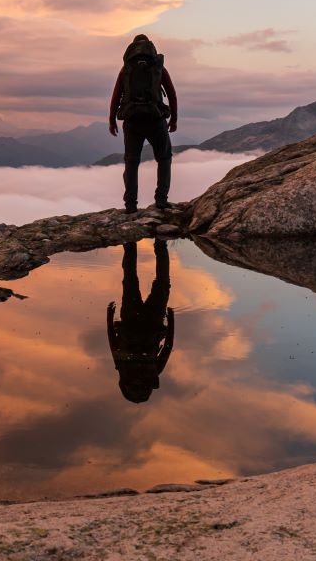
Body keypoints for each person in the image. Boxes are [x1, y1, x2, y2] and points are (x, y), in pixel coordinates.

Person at [108, 34, 177, 212]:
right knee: (164, 159)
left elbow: (116, 95)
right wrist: (174, 119)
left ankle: (131, 204)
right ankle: (161, 200)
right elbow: (171, 93)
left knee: (132, 162)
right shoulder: (158, 68)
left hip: (132, 121)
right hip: (155, 120)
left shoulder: (127, 69)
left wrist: (111, 120)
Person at [106, 239, 174, 404]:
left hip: (152, 323)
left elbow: (168, 347)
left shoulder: (153, 373)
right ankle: (131, 241)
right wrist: (109, 318)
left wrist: (171, 321)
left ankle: (160, 242)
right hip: (132, 321)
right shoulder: (122, 369)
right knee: (130, 279)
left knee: (161, 282)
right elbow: (113, 344)